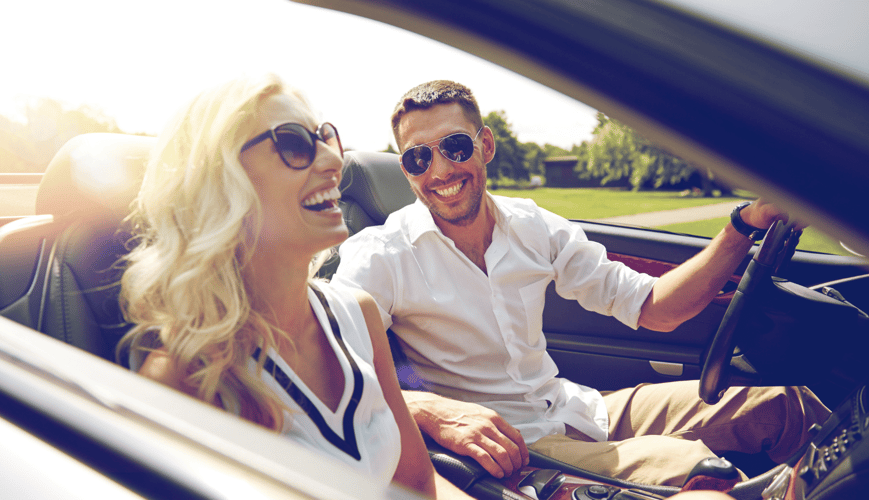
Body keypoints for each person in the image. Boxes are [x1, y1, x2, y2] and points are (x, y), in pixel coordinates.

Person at [332, 80, 829, 486]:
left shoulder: (533, 226)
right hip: (517, 446)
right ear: (407, 170)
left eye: (454, 147)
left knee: (785, 405)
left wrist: (742, 227)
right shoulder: (380, 254)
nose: (439, 170)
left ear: (484, 145)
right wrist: (430, 409)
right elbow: (332, 369)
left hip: (579, 407)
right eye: (419, 158)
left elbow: (654, 307)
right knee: (698, 474)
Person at [117, 75, 470, 499]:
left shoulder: (358, 314)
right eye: (294, 143)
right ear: (221, 180)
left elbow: (418, 485)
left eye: (325, 137)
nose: (333, 161)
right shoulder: (186, 378)